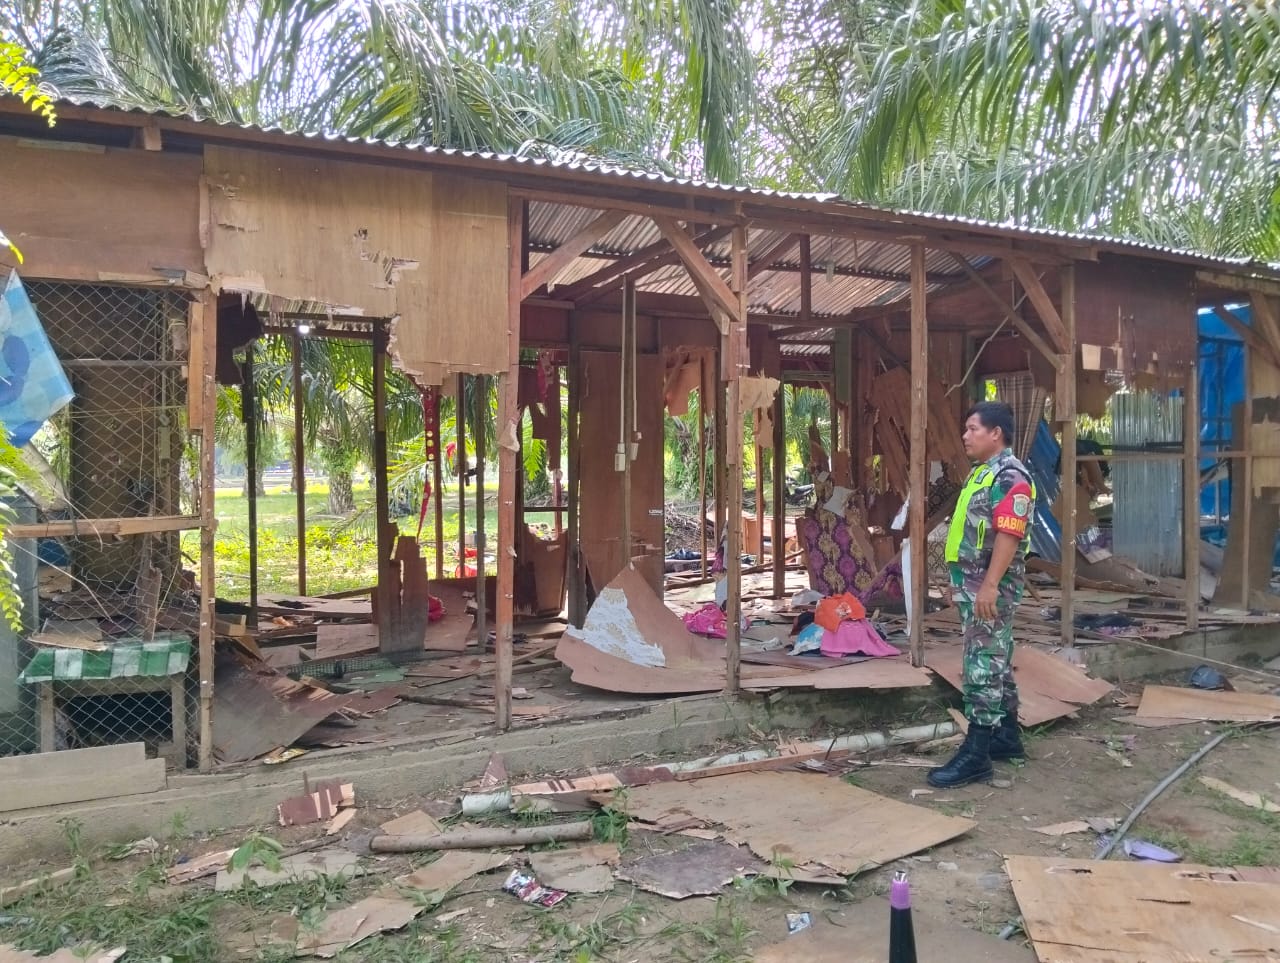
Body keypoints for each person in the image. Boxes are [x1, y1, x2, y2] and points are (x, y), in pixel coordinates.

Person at [929, 401, 1036, 789]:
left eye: (973, 428)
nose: (965, 435)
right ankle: (1007, 738)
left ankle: (976, 755)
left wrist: (989, 585)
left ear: (996, 433)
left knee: (981, 662)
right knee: (995, 658)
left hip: (990, 587)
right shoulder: (984, 474)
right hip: (974, 583)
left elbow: (1009, 534)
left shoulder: (1010, 476)